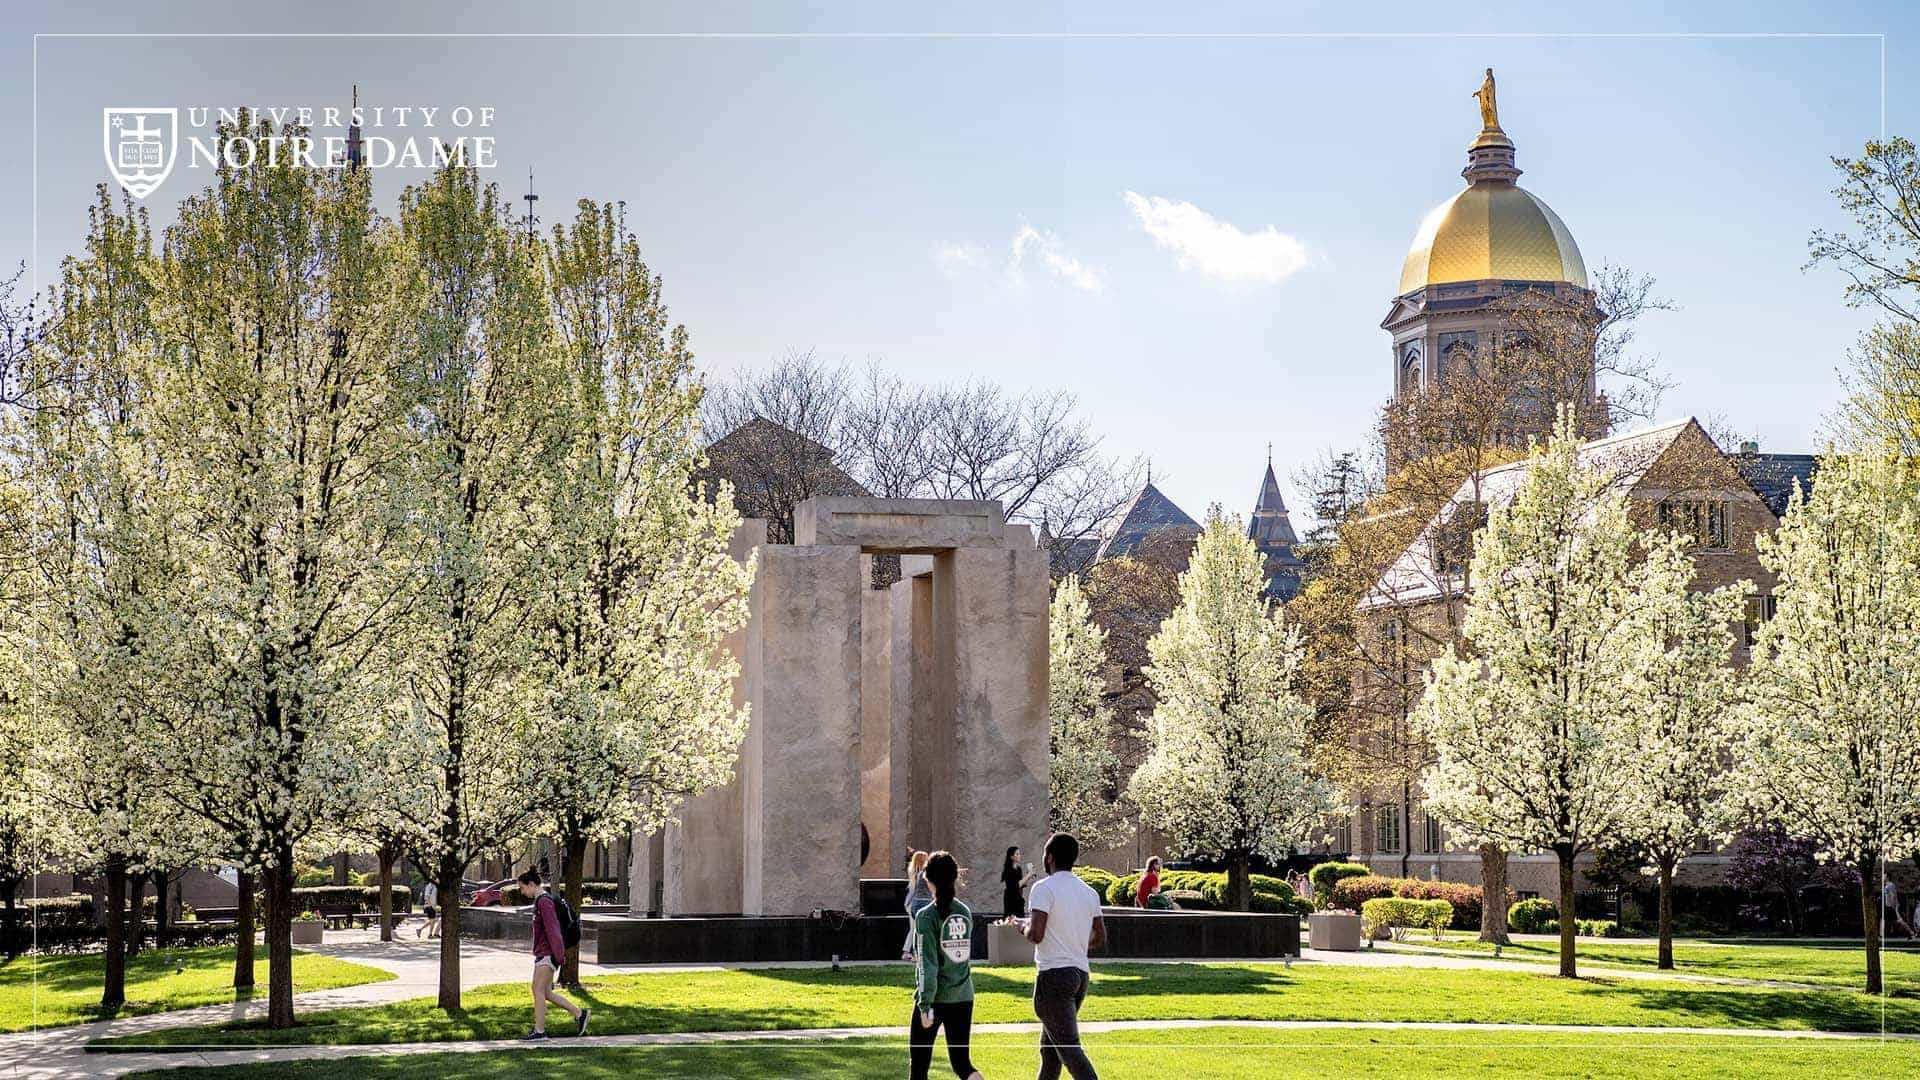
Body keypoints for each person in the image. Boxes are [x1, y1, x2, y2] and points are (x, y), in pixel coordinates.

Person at [1021, 832, 1105, 1080]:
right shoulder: (1089, 892)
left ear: (1050, 857)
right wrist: (1073, 942)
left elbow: (1036, 934)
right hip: (1080, 975)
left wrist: (1020, 926)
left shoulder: (1043, 889)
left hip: (1053, 976)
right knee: (1050, 1052)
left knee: (1069, 1049)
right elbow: (1100, 937)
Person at [911, 851, 985, 1080]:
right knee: (963, 1065)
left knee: (919, 1068)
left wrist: (925, 1005)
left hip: (935, 999)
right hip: (963, 997)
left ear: (927, 878)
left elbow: (927, 965)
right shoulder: (964, 912)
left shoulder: (926, 916)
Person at [516, 868, 589, 1041]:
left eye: (523, 887)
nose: (522, 891)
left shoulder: (544, 902)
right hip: (545, 953)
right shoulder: (542, 901)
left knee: (537, 989)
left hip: (548, 954)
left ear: (532, 884)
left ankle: (540, 1031)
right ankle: (580, 1014)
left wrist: (558, 955)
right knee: (546, 992)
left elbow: (553, 930)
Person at [902, 850, 932, 960]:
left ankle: (909, 951)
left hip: (912, 903)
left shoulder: (915, 873)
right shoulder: (920, 874)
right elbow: (914, 890)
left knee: (914, 928)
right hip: (915, 903)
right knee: (915, 928)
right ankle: (909, 952)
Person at [1001, 846, 1032, 918]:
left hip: (1018, 898)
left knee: (1020, 918)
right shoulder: (1008, 869)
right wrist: (1028, 875)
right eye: (1017, 854)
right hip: (1011, 898)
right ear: (1011, 857)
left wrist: (1028, 877)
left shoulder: (1018, 869)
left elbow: (1021, 884)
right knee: (1012, 920)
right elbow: (1015, 886)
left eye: (1019, 854)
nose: (1019, 856)